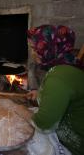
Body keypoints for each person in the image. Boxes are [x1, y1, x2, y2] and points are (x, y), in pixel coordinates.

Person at [26, 25, 84, 155]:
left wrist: (23, 115)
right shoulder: (67, 65)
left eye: (34, 48)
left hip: (75, 146)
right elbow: (62, 95)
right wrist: (40, 94)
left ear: (50, 48)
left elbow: (44, 124)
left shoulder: (58, 78)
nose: (32, 53)